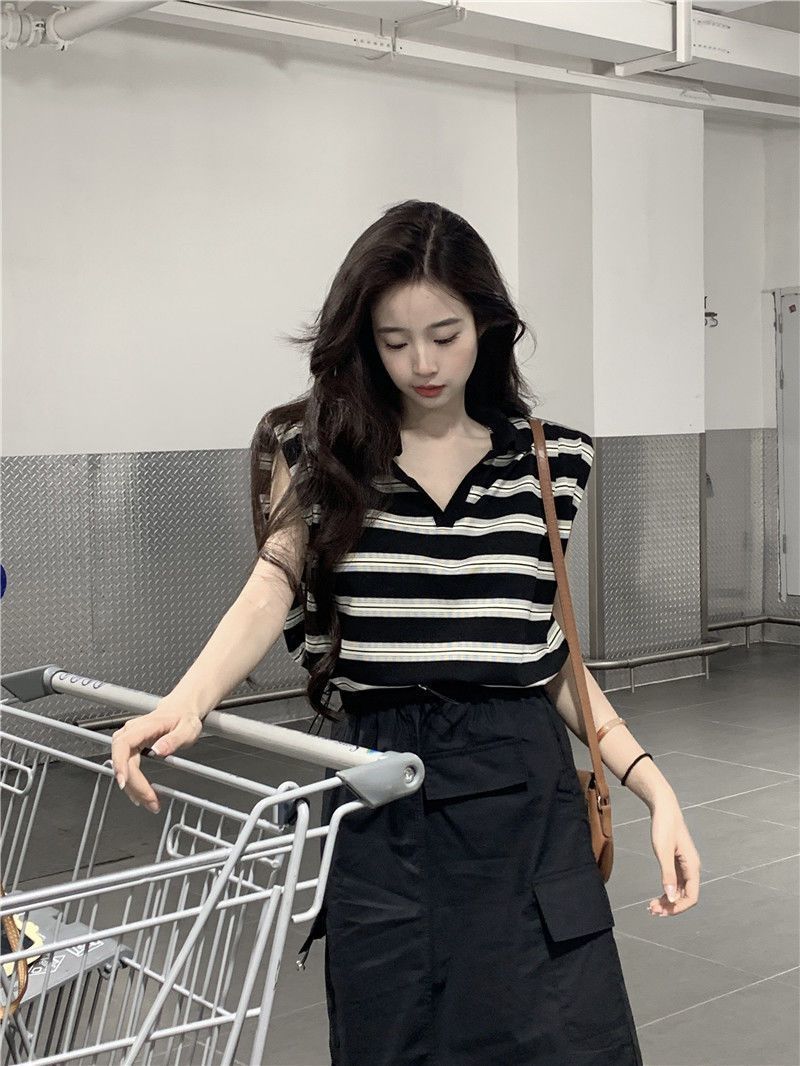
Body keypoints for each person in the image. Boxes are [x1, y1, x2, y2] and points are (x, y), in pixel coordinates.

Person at [112, 200, 701, 1065]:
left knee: (563, 1042)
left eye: (444, 334)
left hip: (525, 809)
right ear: (365, 340)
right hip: (382, 801)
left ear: (487, 326)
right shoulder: (319, 451)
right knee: (395, 1040)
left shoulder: (550, 462)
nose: (422, 363)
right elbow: (271, 585)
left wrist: (655, 788)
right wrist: (186, 702)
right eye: (395, 341)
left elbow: (543, 656)